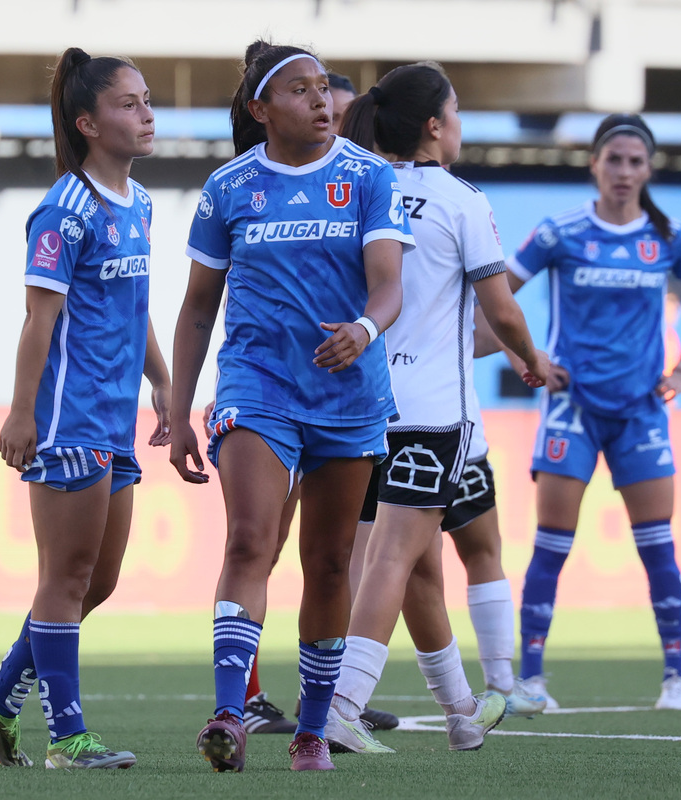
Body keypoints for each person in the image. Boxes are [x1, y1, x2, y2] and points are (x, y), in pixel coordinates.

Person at [170, 41, 412, 772]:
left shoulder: (369, 178)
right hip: (257, 387)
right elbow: (196, 309)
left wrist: (364, 330)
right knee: (249, 540)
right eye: (301, 90)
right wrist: (176, 410)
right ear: (260, 109)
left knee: (331, 562)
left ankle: (312, 730)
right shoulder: (228, 187)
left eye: (324, 90)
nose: (322, 101)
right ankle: (227, 711)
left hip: (349, 396)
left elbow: (390, 286)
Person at [322, 62, 550, 754]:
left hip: (365, 405)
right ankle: (340, 704)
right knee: (394, 559)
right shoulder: (461, 200)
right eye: (455, 112)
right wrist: (532, 359)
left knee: (416, 564)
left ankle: (459, 711)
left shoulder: (364, 190)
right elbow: (501, 308)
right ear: (433, 125)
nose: (459, 125)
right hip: (432, 413)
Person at [0, 47, 171, 771]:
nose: (147, 114)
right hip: (66, 421)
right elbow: (38, 321)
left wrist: (163, 383)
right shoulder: (63, 210)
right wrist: (22, 414)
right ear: (87, 122)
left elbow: (133, 308)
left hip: (115, 420)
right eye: (130, 103)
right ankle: (68, 739)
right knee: (66, 579)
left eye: (147, 100)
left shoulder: (138, 203)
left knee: (97, 581)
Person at [507, 113, 681, 711]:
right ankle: (532, 681)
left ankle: (678, 677)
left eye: (635, 161)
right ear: (593, 164)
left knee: (657, 545)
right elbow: (496, 301)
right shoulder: (559, 233)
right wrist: (532, 356)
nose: (624, 171)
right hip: (571, 407)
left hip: (640, 412)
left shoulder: (669, 235)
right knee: (551, 543)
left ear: (648, 169)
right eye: (614, 159)